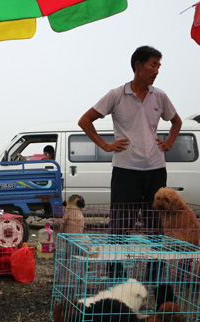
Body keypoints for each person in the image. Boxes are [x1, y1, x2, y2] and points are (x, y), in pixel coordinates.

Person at [78, 45, 182, 279]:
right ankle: (115, 273)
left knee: (155, 223)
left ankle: (154, 274)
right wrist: (105, 146)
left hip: (156, 169)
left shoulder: (160, 96)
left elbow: (176, 122)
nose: (156, 70)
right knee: (120, 223)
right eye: (152, 65)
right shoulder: (117, 94)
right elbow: (85, 120)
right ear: (138, 65)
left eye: (159, 66)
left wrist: (169, 143)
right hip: (125, 169)